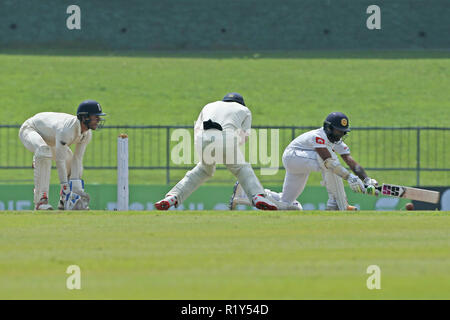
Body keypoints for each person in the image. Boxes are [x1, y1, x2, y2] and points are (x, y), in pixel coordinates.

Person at [229, 112, 378, 211]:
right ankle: (337, 203)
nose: (340, 135)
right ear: (328, 128)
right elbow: (327, 161)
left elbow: (351, 161)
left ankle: (243, 196)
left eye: (342, 132)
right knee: (330, 163)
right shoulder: (318, 136)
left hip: (302, 164)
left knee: (287, 204)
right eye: (338, 131)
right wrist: (350, 178)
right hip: (293, 157)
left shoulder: (336, 141)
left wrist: (366, 179)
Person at [155, 93, 278, 211]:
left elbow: (197, 129)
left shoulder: (209, 105)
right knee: (242, 168)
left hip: (202, 139)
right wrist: (228, 151)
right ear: (241, 103)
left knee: (202, 170)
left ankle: (173, 197)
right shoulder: (244, 110)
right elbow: (244, 137)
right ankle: (257, 197)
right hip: (226, 138)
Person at [18, 100, 106, 210]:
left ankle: (65, 201)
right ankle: (41, 201)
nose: (98, 120)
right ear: (85, 117)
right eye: (95, 117)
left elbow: (77, 160)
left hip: (51, 138)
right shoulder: (66, 130)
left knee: (71, 162)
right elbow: (59, 161)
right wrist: (65, 186)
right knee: (43, 151)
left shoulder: (87, 134)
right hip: (31, 129)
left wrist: (76, 189)